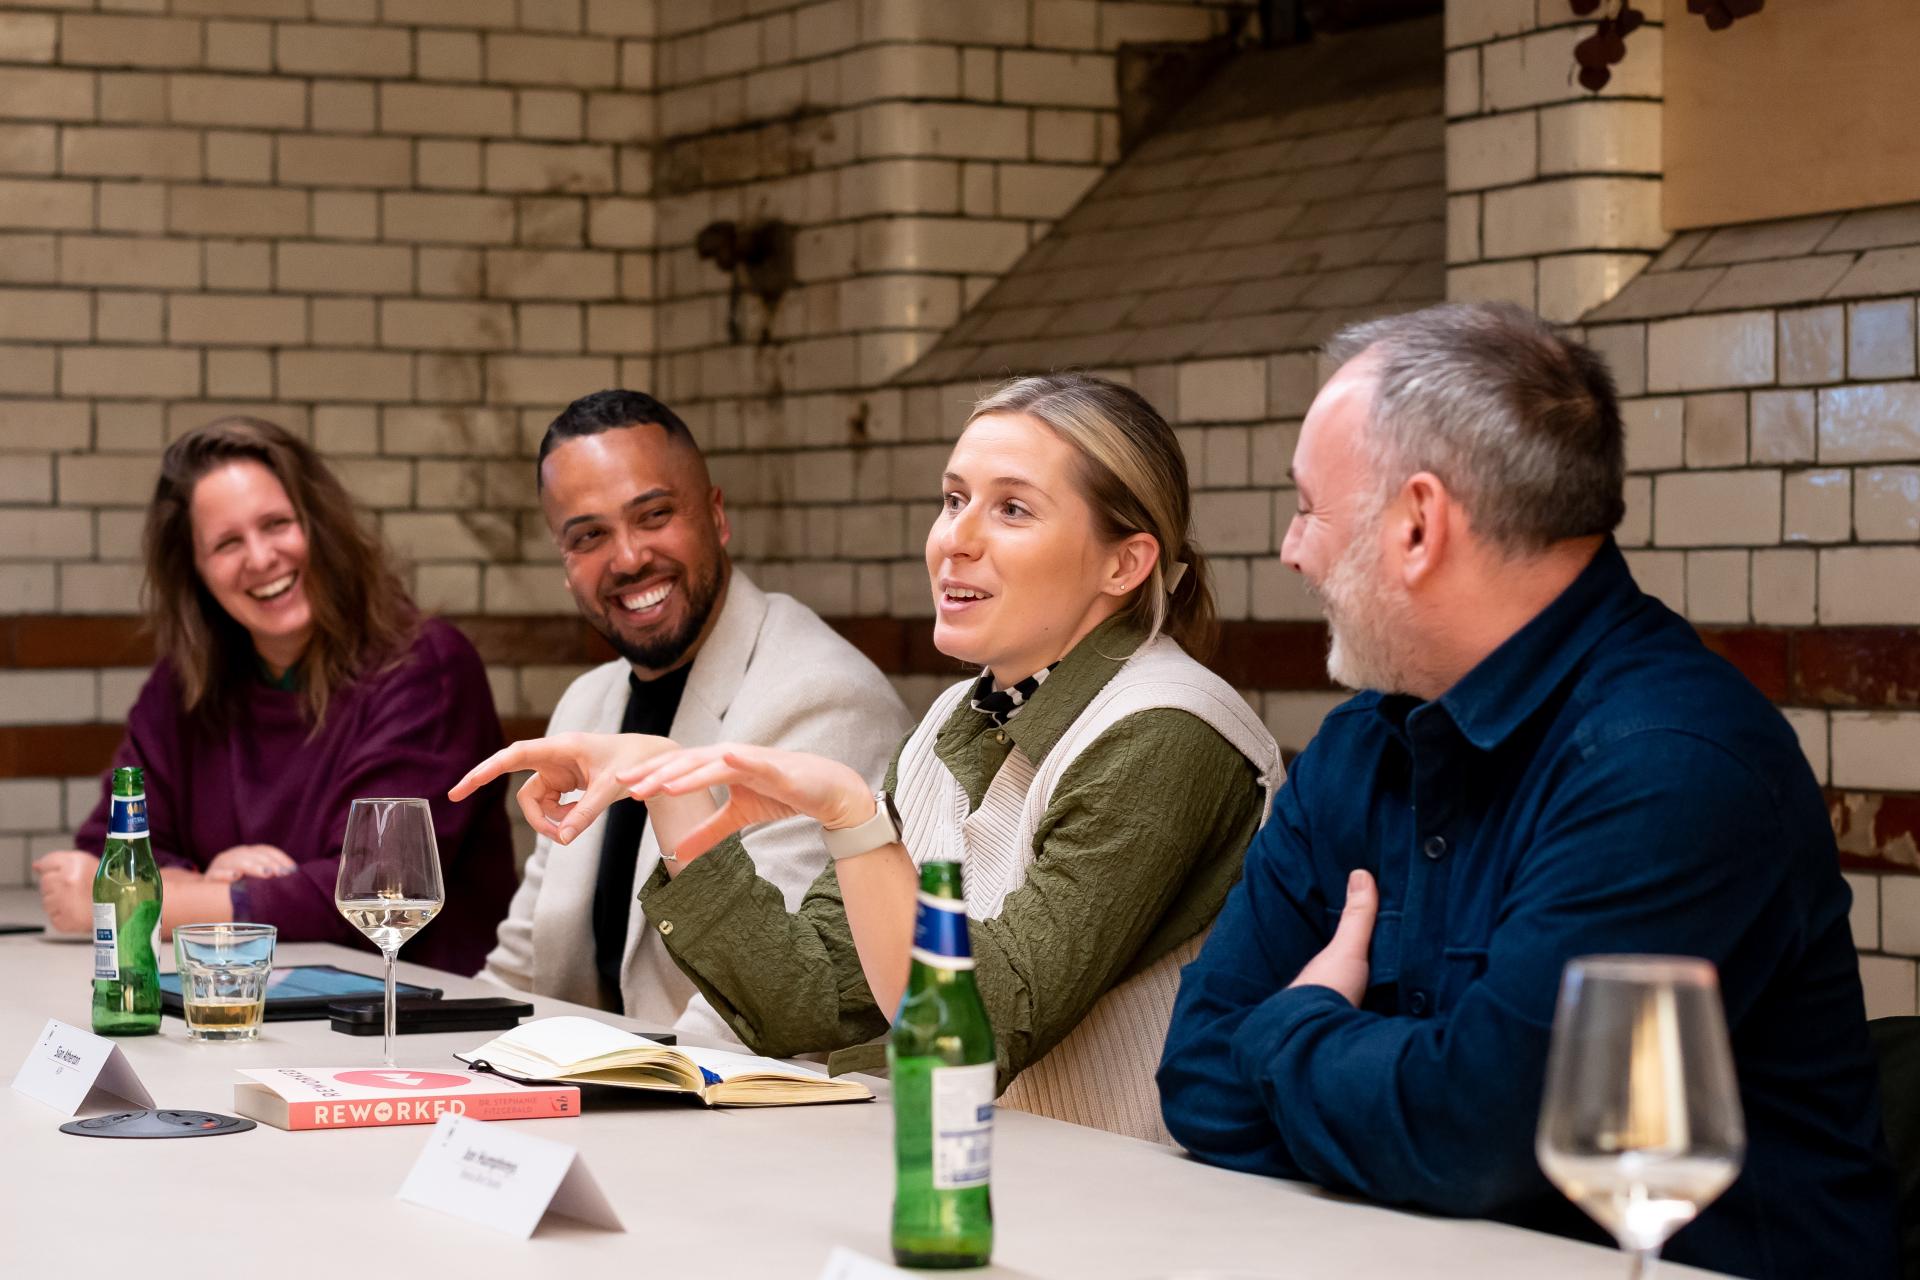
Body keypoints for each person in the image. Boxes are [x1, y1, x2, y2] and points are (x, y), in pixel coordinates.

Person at [1155, 303, 1899, 1278]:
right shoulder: (1356, 749)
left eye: (1308, 508)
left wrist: (1294, 1022)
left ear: (1418, 524)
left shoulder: (1671, 764)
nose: (1293, 551)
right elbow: (1198, 1078)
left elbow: (1471, 1136)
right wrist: (1382, 1092)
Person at [455, 373, 1281, 1143]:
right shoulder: (957, 715)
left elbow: (978, 1031)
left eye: (1013, 510)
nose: (954, 540)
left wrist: (854, 822)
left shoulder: (1170, 729)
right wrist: (669, 788)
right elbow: (813, 1001)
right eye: (953, 500)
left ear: (1123, 562)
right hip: (978, 1173)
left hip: (1126, 1212)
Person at [472, 390, 913, 1041]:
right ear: (565, 566)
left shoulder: (823, 697)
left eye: (653, 515)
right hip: (586, 1105)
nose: (627, 558)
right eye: (589, 536)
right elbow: (518, 974)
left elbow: (758, 1012)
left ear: (717, 516)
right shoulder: (588, 703)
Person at [33, 417, 515, 976]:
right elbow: (111, 845)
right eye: (227, 543)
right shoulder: (181, 688)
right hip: (241, 1010)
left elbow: (372, 898)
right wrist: (220, 875)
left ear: (319, 526)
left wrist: (150, 901)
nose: (260, 558)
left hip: (408, 1025)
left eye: (277, 524)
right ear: (195, 571)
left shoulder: (425, 668)